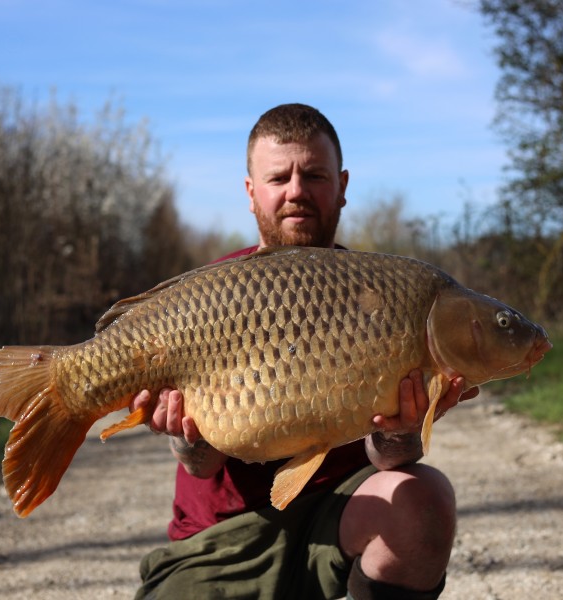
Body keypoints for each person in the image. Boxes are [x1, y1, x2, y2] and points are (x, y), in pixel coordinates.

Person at [130, 103, 478, 600]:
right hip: (224, 535)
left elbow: (389, 461)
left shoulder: (387, 293)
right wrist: (182, 435)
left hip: (339, 516)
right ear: (251, 192)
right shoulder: (209, 298)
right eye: (278, 177)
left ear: (342, 185)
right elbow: (201, 466)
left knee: (423, 499)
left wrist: (402, 430)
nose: (296, 190)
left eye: (314, 175)